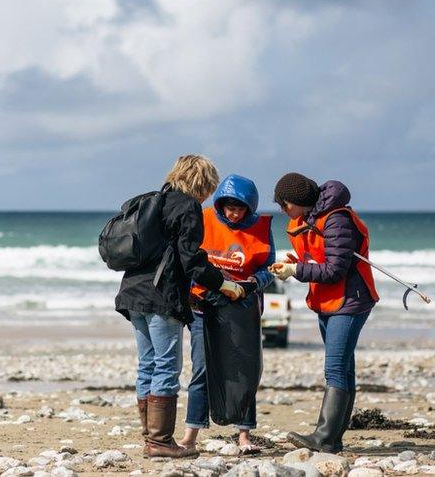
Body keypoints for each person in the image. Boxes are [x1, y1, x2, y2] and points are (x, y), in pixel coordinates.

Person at [114, 155, 246, 458]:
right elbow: (191, 259)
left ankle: (151, 438)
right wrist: (224, 284)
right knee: (166, 366)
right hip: (161, 297)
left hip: (133, 292)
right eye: (210, 187)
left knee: (147, 364)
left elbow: (167, 256)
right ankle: (160, 442)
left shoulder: (154, 201)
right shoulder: (187, 207)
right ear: (203, 182)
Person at [269, 173, 379, 454]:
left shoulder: (336, 219)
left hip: (350, 300)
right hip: (327, 301)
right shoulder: (307, 219)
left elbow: (334, 270)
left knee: (335, 369)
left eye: (284, 205)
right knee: (344, 368)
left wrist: (297, 272)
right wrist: (291, 265)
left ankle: (324, 437)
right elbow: (314, 257)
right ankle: (334, 439)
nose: (283, 211)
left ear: (296, 201)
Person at [178, 174, 274, 455]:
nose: (233, 213)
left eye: (240, 208)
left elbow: (269, 269)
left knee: (244, 369)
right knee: (202, 368)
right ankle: (190, 435)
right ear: (220, 205)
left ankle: (244, 436)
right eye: (229, 207)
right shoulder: (204, 218)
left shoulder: (260, 228)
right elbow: (188, 259)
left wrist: (253, 283)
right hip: (202, 306)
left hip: (242, 308)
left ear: (249, 208)